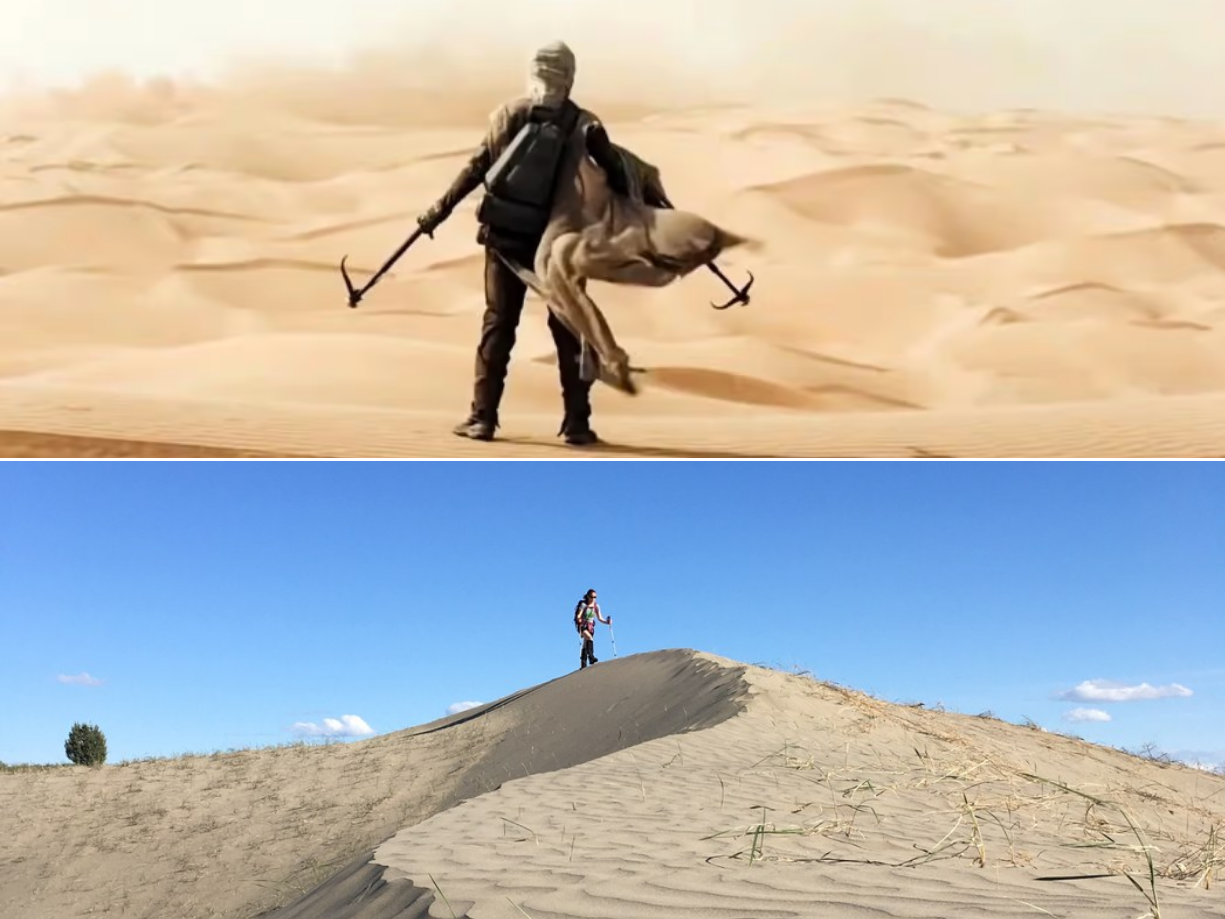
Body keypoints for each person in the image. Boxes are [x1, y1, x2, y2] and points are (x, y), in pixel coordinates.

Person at [416, 41, 636, 446]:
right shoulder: (586, 124)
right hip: (560, 247)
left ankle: (482, 417)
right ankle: (577, 424)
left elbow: (477, 168)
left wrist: (437, 213)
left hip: (506, 239)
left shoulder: (507, 114)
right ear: (570, 74)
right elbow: (620, 179)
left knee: (499, 324)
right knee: (569, 328)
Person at [574, 588, 611, 669]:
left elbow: (600, 618)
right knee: (590, 638)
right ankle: (591, 657)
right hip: (582, 625)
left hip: (590, 626)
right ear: (588, 596)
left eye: (595, 597)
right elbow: (578, 616)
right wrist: (579, 619)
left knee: (585, 644)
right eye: (592, 597)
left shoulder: (596, 606)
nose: (593, 599)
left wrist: (607, 622)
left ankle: (583, 665)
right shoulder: (583, 605)